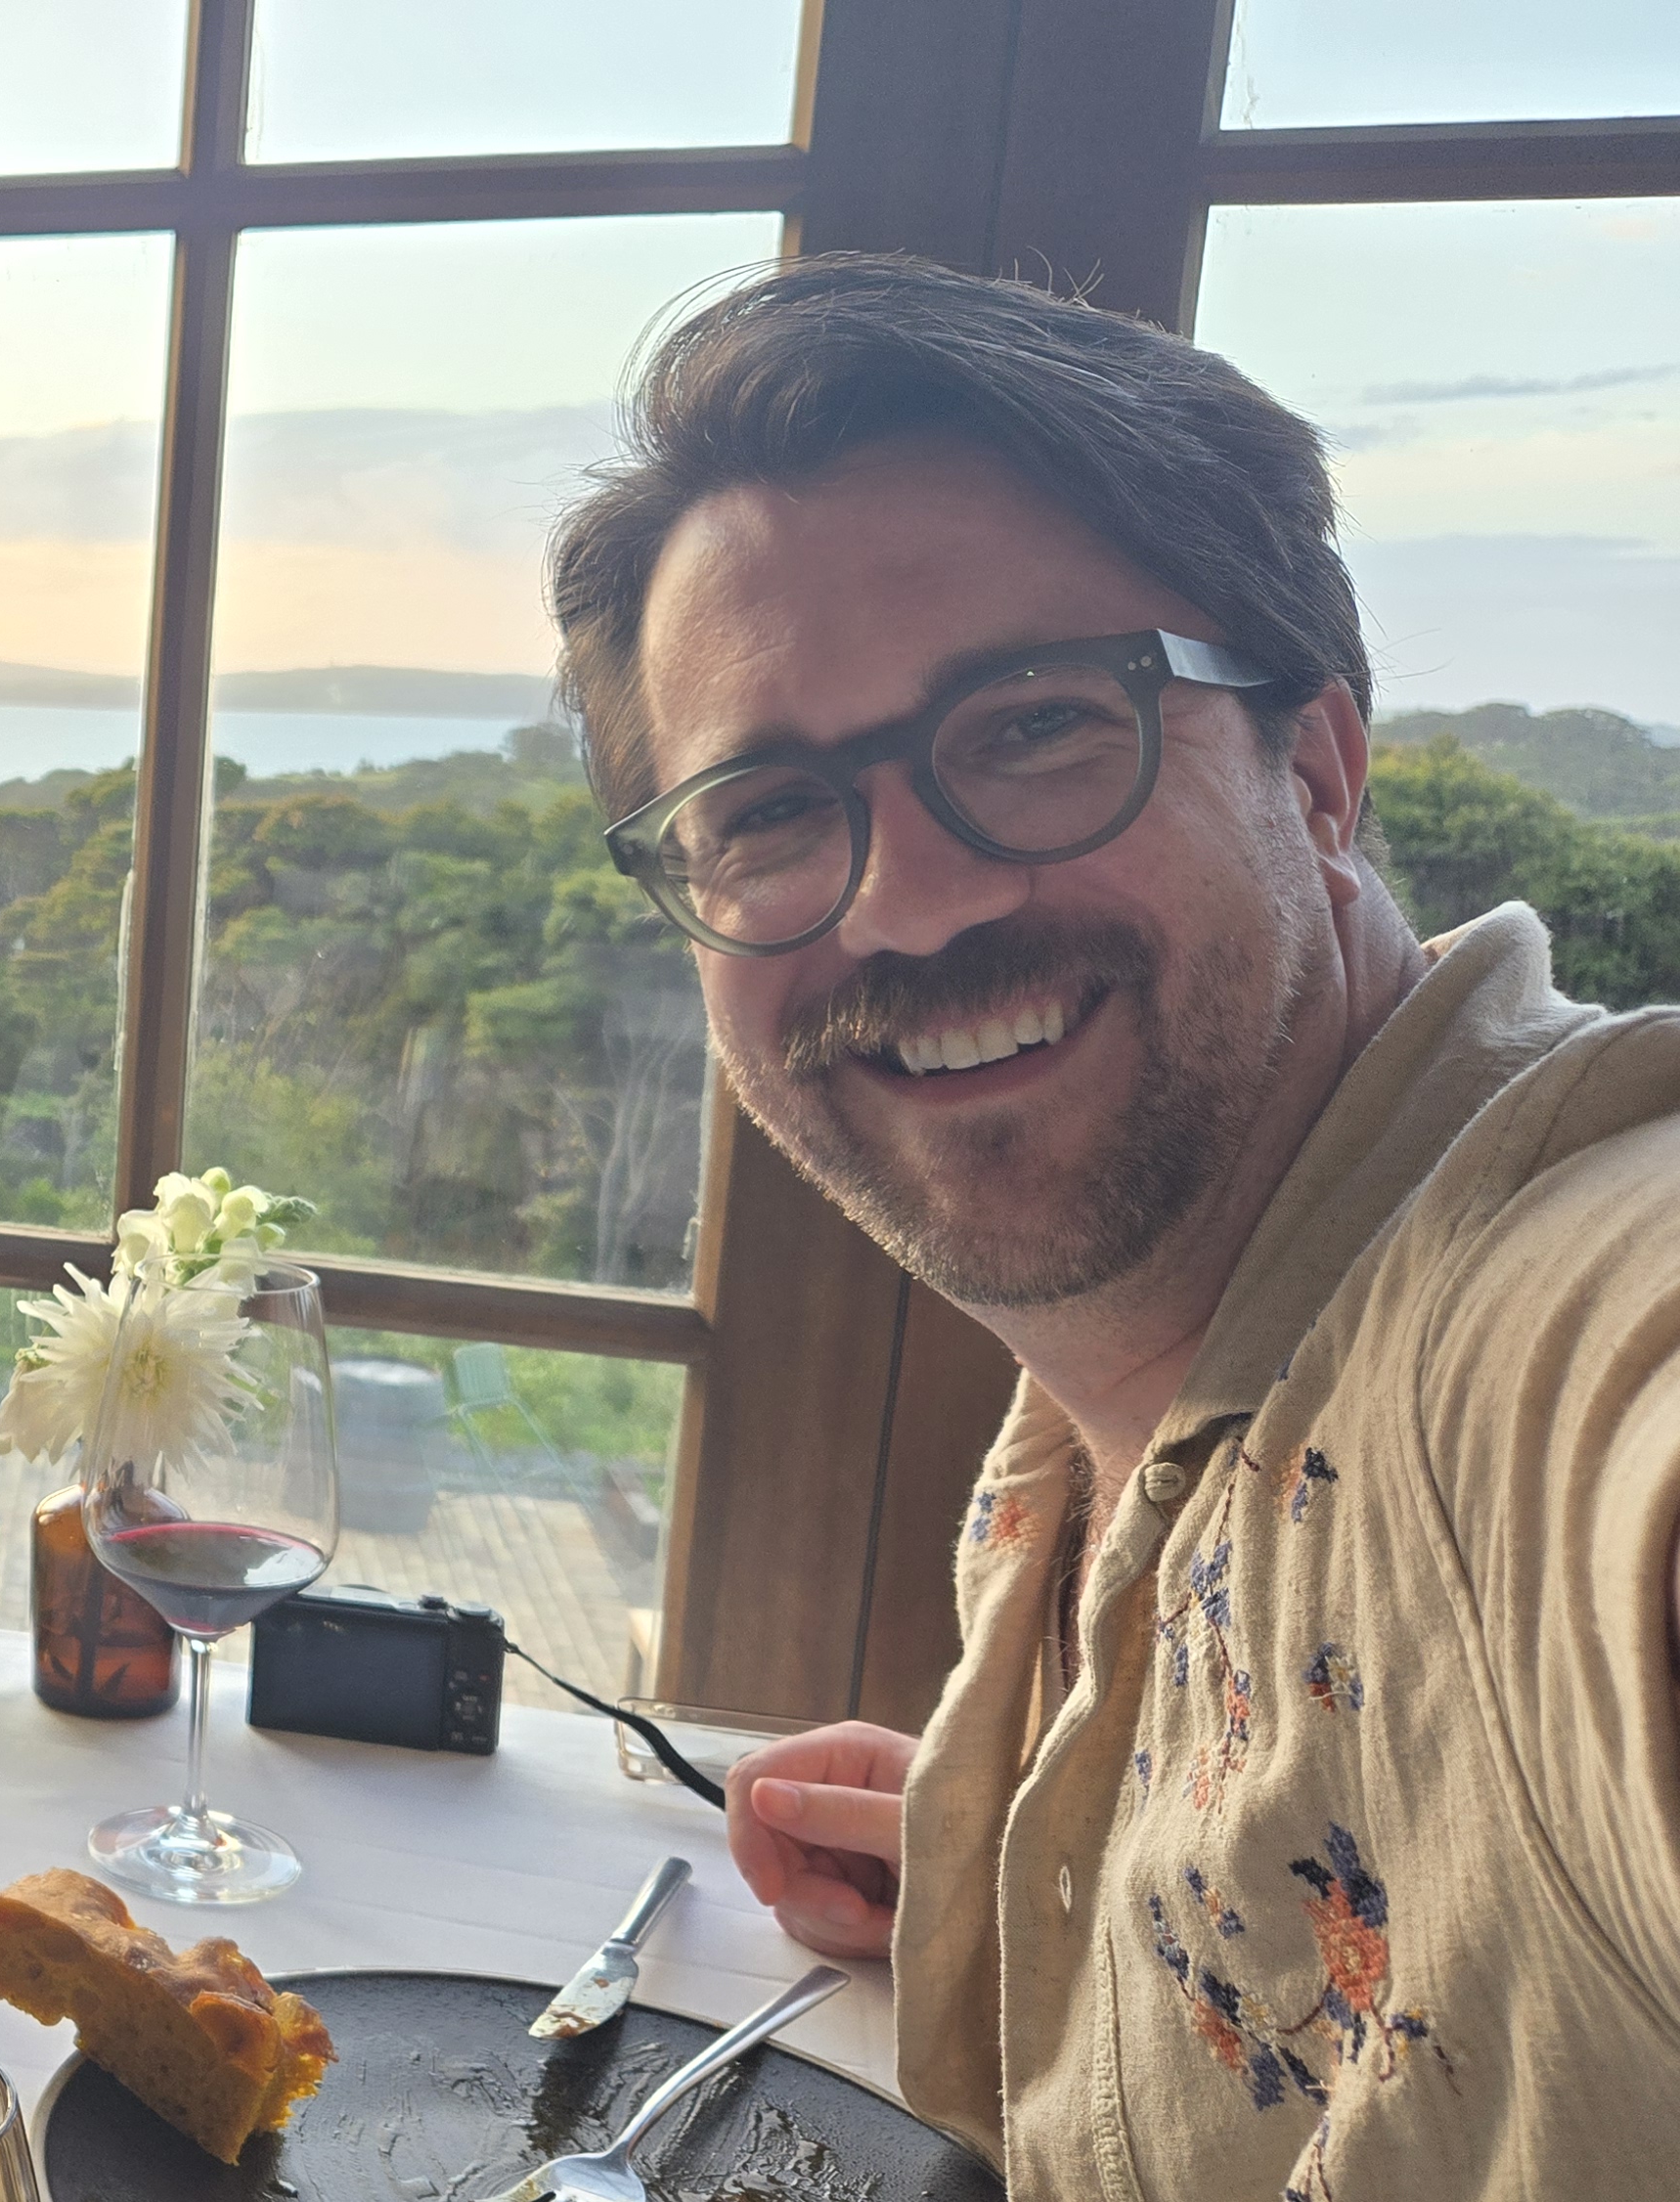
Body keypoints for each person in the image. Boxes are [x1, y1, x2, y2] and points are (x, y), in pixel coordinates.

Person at [550, 254, 1680, 2192]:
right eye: (763, 813)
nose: (900, 903)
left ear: (1312, 772)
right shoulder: (1134, 1409)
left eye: (1027, 728)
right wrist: (1077, 1867)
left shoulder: (1549, 1320)